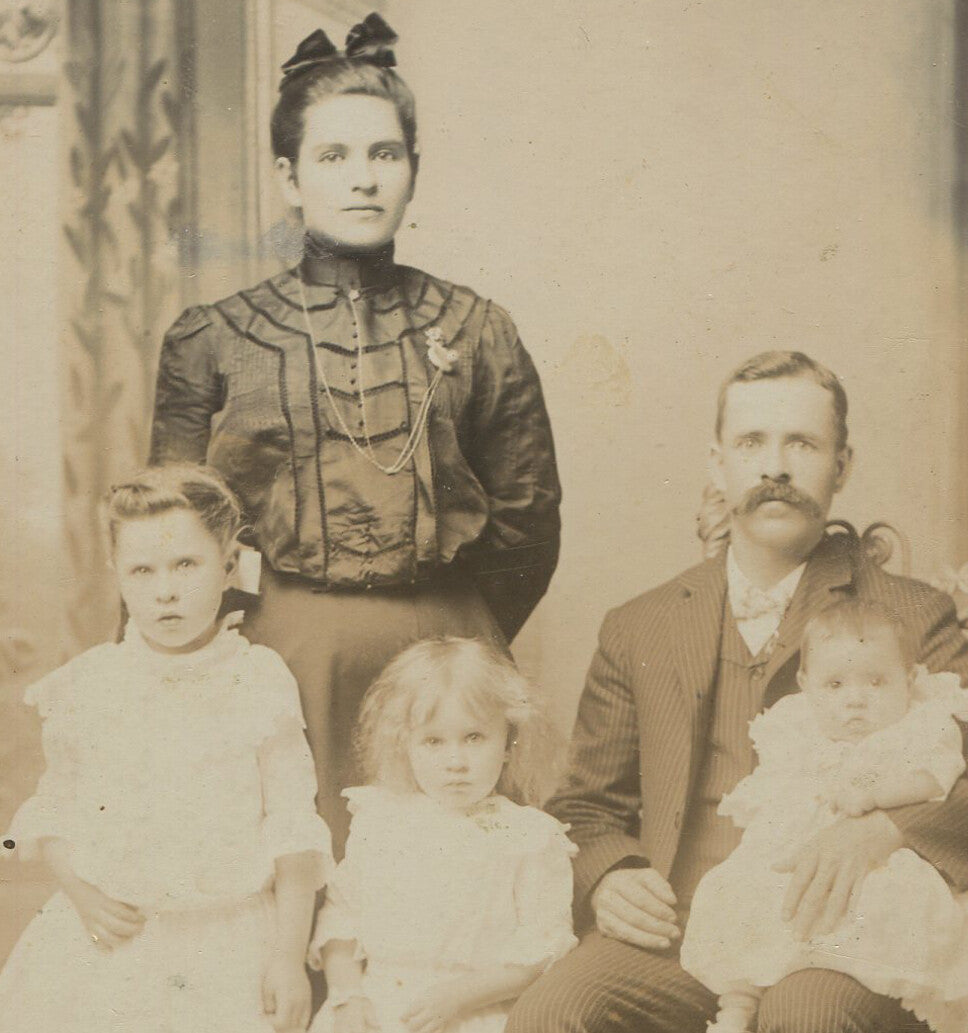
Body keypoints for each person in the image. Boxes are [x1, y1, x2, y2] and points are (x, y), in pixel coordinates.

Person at [506, 350, 968, 1033]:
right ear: (717, 463)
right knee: (553, 1012)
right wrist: (610, 875)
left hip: (838, 937)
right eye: (752, 442)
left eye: (802, 443)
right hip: (683, 931)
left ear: (841, 466)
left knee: (804, 1015)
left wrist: (886, 830)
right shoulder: (640, 625)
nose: (775, 467)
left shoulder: (908, 611)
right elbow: (583, 807)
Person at [148, 14, 561, 850]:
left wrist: (457, 636)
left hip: (447, 661)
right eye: (333, 157)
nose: (363, 179)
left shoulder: (478, 328)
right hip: (282, 657)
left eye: (385, 154)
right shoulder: (214, 337)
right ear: (289, 176)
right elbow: (168, 531)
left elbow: (527, 524)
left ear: (412, 169)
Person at [0, 464, 332, 1032]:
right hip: (111, 935)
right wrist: (80, 894)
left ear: (228, 565)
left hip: (228, 941)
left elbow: (293, 827)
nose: (166, 589)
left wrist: (285, 958)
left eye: (186, 564)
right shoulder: (88, 683)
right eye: (142, 570)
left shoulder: (258, 680)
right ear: (117, 575)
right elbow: (56, 810)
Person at [682, 598, 968, 1033]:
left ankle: (863, 974)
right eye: (835, 685)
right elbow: (776, 783)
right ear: (806, 684)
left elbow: (936, 778)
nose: (855, 700)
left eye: (875, 682)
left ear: (908, 679)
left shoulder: (916, 726)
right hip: (794, 855)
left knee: (865, 919)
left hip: (879, 864)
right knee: (752, 905)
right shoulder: (799, 724)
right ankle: (735, 1008)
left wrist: (875, 794)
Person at [307, 637, 577, 1033]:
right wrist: (348, 996)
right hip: (373, 1010)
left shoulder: (529, 837)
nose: (456, 762)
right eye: (433, 741)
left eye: (474, 738)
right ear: (406, 745)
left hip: (473, 1011)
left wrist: (460, 996)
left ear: (508, 743)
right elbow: (341, 919)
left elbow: (542, 950)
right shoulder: (380, 821)